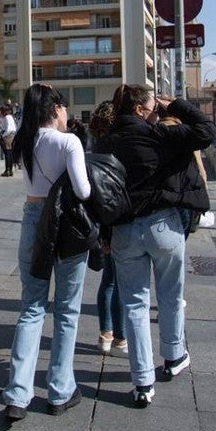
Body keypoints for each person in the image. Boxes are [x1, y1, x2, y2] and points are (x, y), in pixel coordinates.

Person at [95, 85, 216, 408]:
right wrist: (176, 105)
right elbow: (206, 131)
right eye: (152, 106)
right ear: (138, 108)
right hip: (163, 225)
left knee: (134, 304)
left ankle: (142, 382)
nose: (157, 111)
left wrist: (105, 234)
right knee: (170, 296)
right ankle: (174, 356)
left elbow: (102, 191)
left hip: (124, 230)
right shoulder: (160, 136)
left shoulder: (105, 141)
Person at [2, 83, 91, 422]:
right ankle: (59, 389)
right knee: (67, 310)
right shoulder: (68, 141)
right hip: (66, 225)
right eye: (63, 107)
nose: (66, 112)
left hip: (32, 221)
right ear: (55, 109)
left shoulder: (25, 142)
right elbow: (82, 190)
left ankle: (17, 395)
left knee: (32, 306)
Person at [87, 100, 125, 355]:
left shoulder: (91, 148)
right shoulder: (120, 148)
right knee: (119, 281)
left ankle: (106, 334)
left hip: (99, 221)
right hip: (118, 219)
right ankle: (121, 337)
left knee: (107, 281)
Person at [0, 104, 18, 177]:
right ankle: (10, 170)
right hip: (11, 135)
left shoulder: (7, 117)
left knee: (7, 154)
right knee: (9, 153)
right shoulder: (10, 117)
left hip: (7, 136)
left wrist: (2, 135)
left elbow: (8, 128)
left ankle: (7, 170)